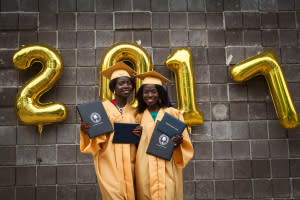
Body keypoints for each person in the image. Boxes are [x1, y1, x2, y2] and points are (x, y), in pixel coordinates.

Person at [80, 62, 142, 200]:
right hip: (108, 162)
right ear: (114, 87)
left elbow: (142, 140)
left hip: (130, 163)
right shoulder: (101, 109)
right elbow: (94, 138)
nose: (126, 86)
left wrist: (140, 134)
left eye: (128, 83)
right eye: (121, 83)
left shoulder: (135, 112)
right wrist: (86, 131)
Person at [134, 71, 194, 200]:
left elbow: (185, 141)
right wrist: (136, 137)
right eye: (146, 92)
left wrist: (178, 142)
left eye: (153, 91)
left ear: (160, 93)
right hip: (144, 165)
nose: (150, 95)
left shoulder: (172, 113)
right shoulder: (138, 116)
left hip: (167, 164)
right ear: (141, 95)